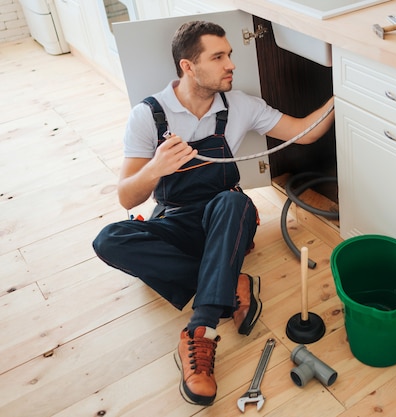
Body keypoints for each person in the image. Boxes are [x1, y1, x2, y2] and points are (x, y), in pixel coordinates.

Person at [92, 20, 334, 406]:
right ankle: (229, 285)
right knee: (109, 239)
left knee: (234, 200)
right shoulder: (150, 116)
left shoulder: (240, 106)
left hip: (227, 218)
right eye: (218, 57)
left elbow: (305, 132)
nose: (230, 65)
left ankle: (200, 331)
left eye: (230, 55)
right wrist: (155, 168)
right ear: (188, 67)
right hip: (176, 219)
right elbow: (125, 198)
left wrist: (346, 92)